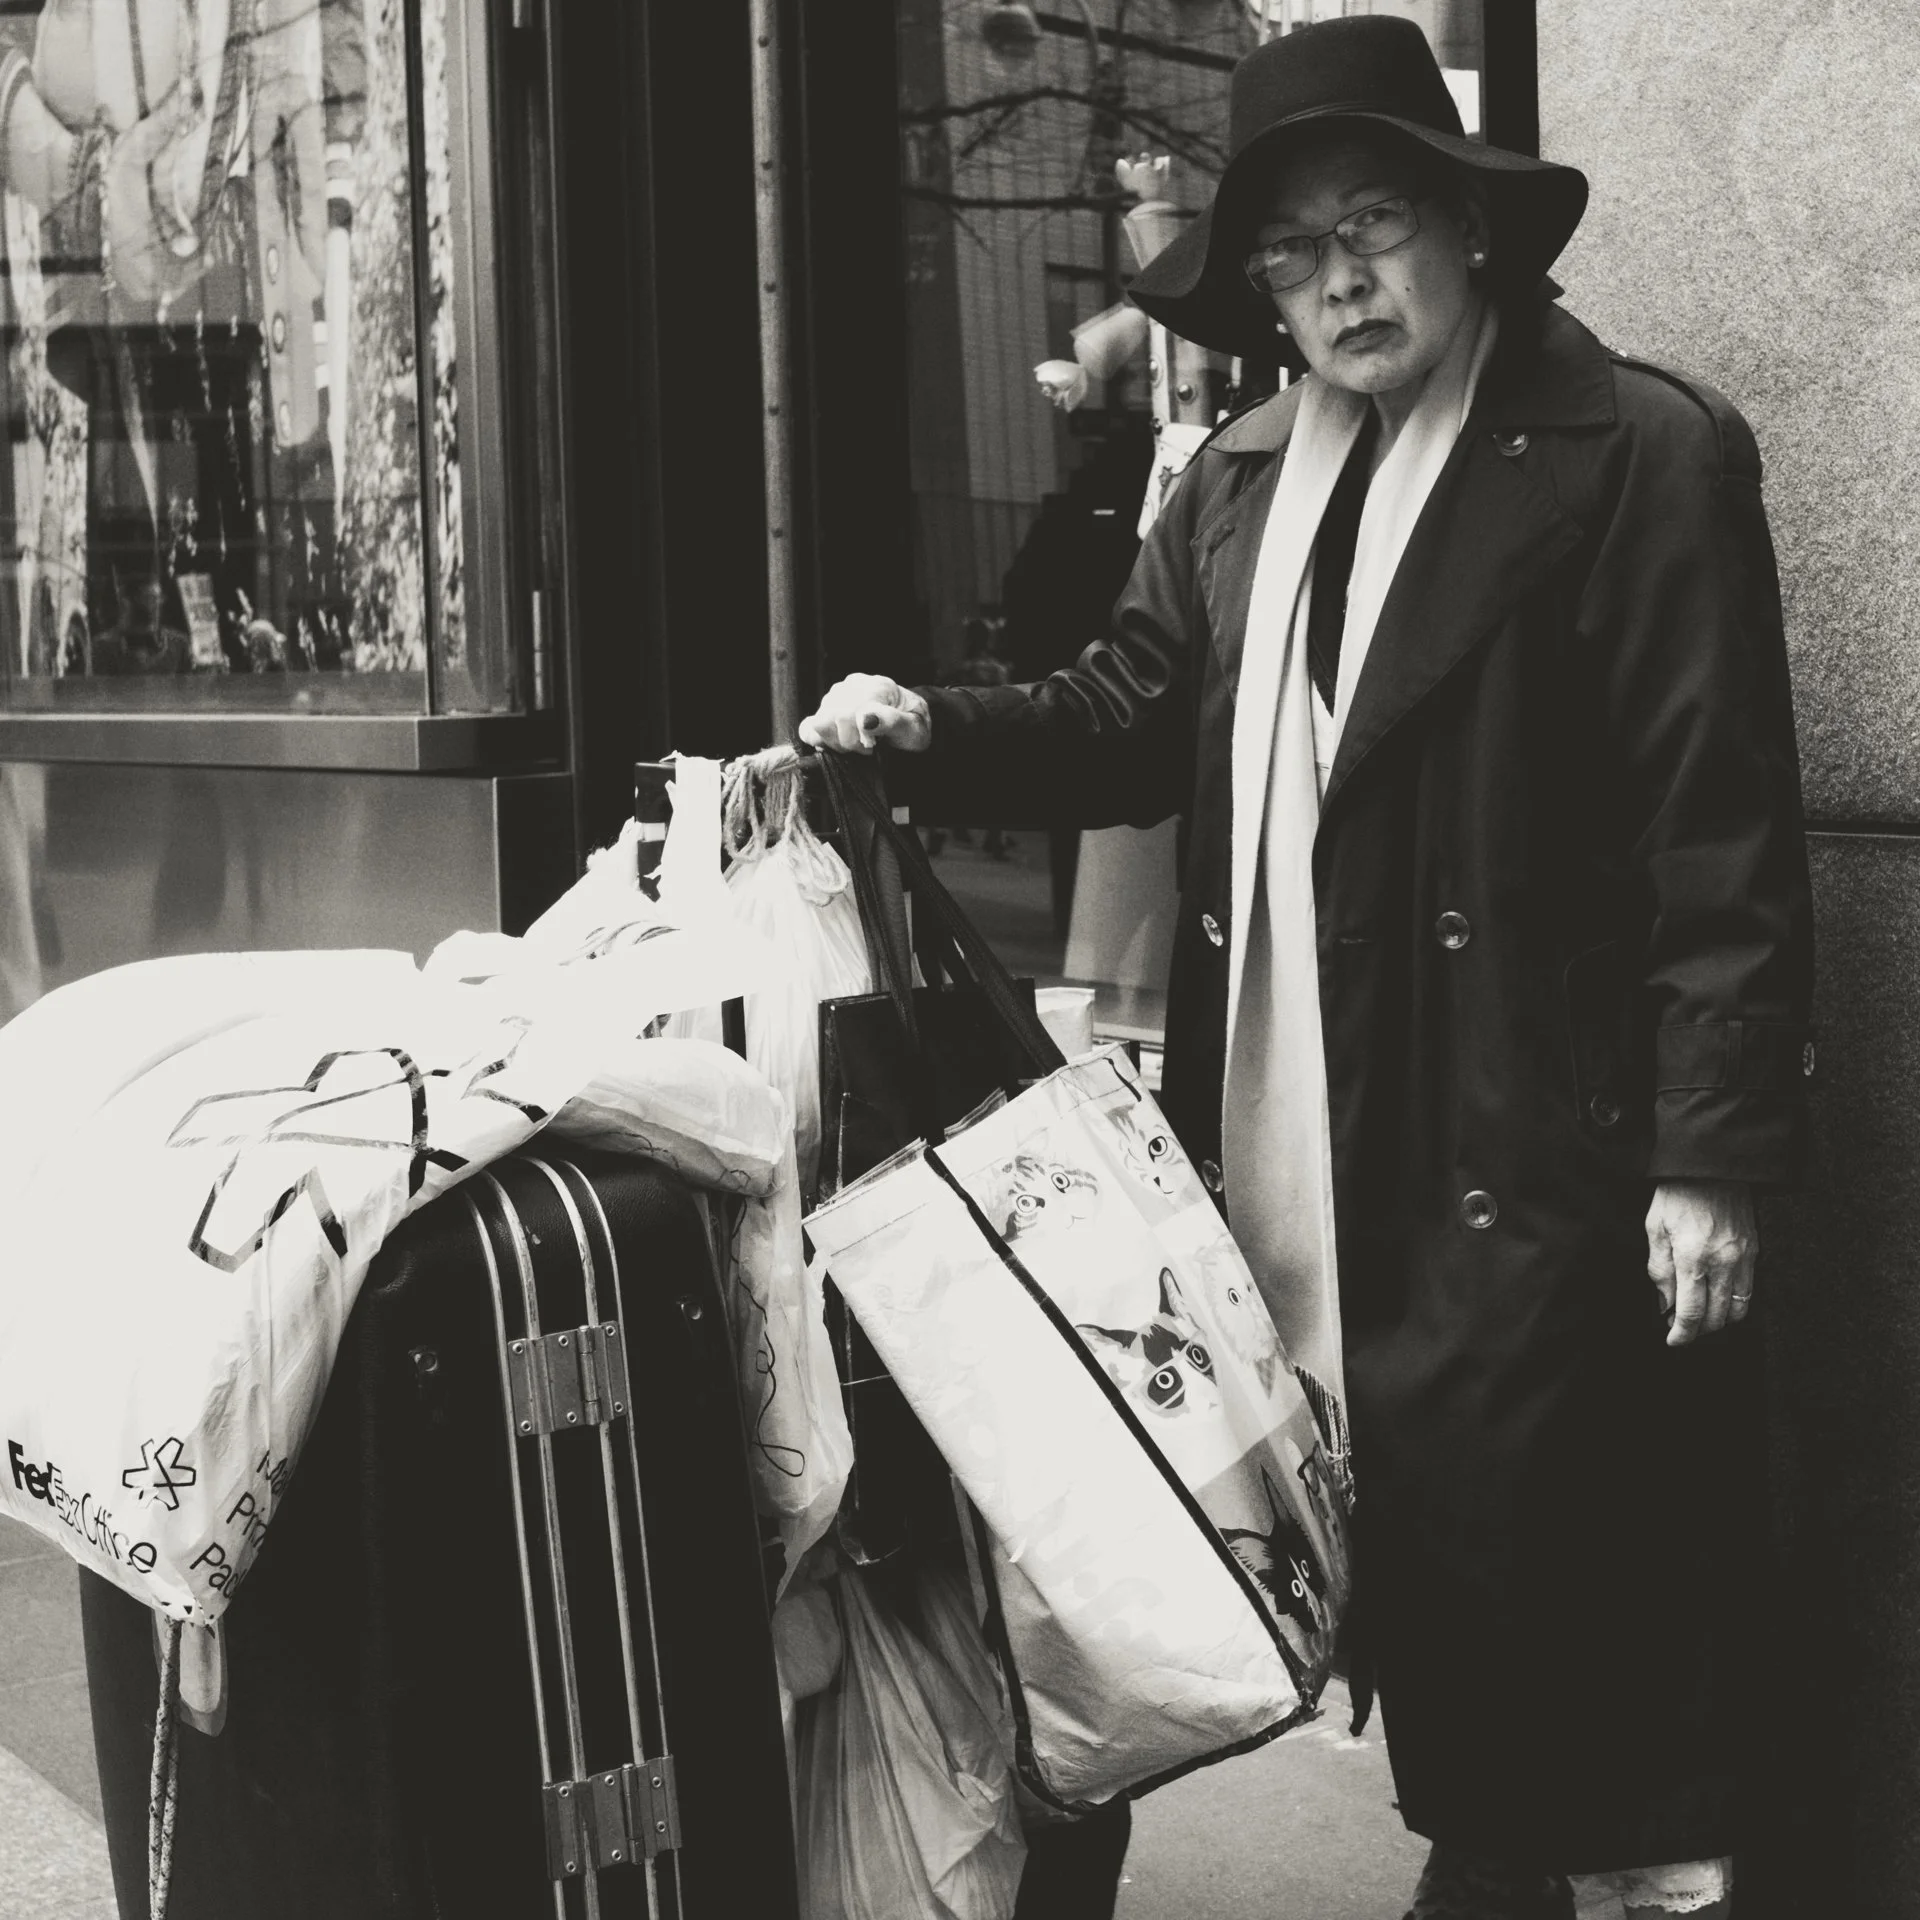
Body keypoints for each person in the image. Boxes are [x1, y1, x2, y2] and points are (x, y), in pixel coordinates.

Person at [801, 17, 1812, 1920]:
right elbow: (1126, 715)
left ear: (1472, 231)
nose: (1338, 278)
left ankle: (1561, 1871)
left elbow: (1719, 837)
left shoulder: (1640, 455)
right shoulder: (1244, 478)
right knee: (1420, 1588)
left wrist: (1711, 1151)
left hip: (1533, 1150)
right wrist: (928, 731)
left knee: (1566, 1630)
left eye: (1376, 224)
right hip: (1303, 1147)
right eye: (1292, 249)